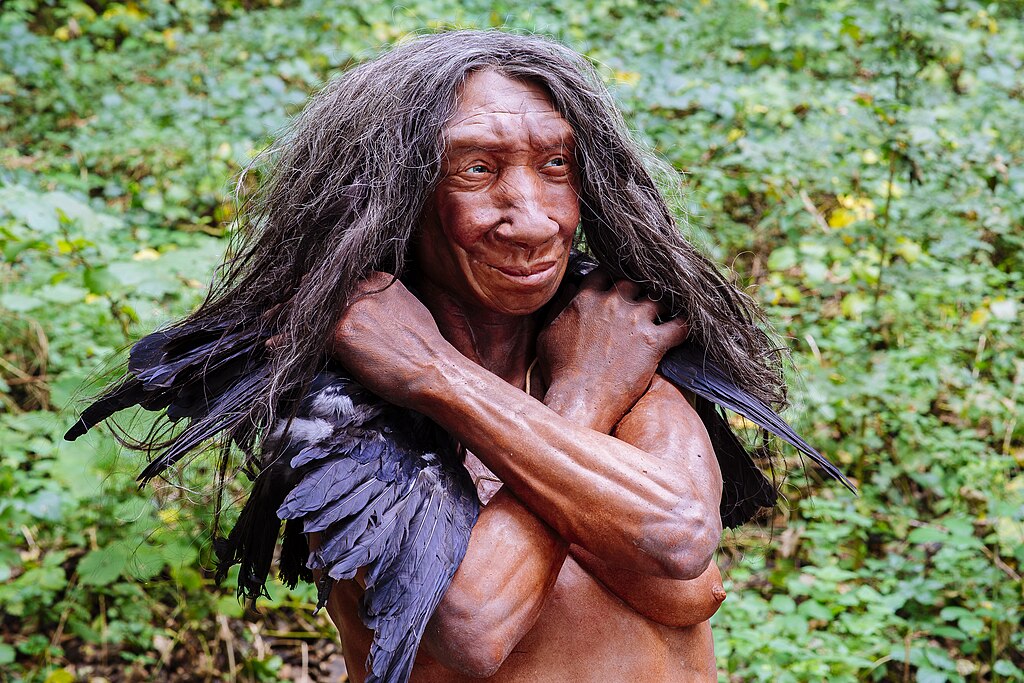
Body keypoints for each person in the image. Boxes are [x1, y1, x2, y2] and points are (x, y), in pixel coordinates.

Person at [69, 30, 810, 682]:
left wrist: (473, 379)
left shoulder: (613, 342)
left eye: (556, 164)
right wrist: (555, 409)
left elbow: (678, 544)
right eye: (477, 170)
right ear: (397, 197)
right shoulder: (341, 404)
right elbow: (474, 624)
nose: (533, 220)